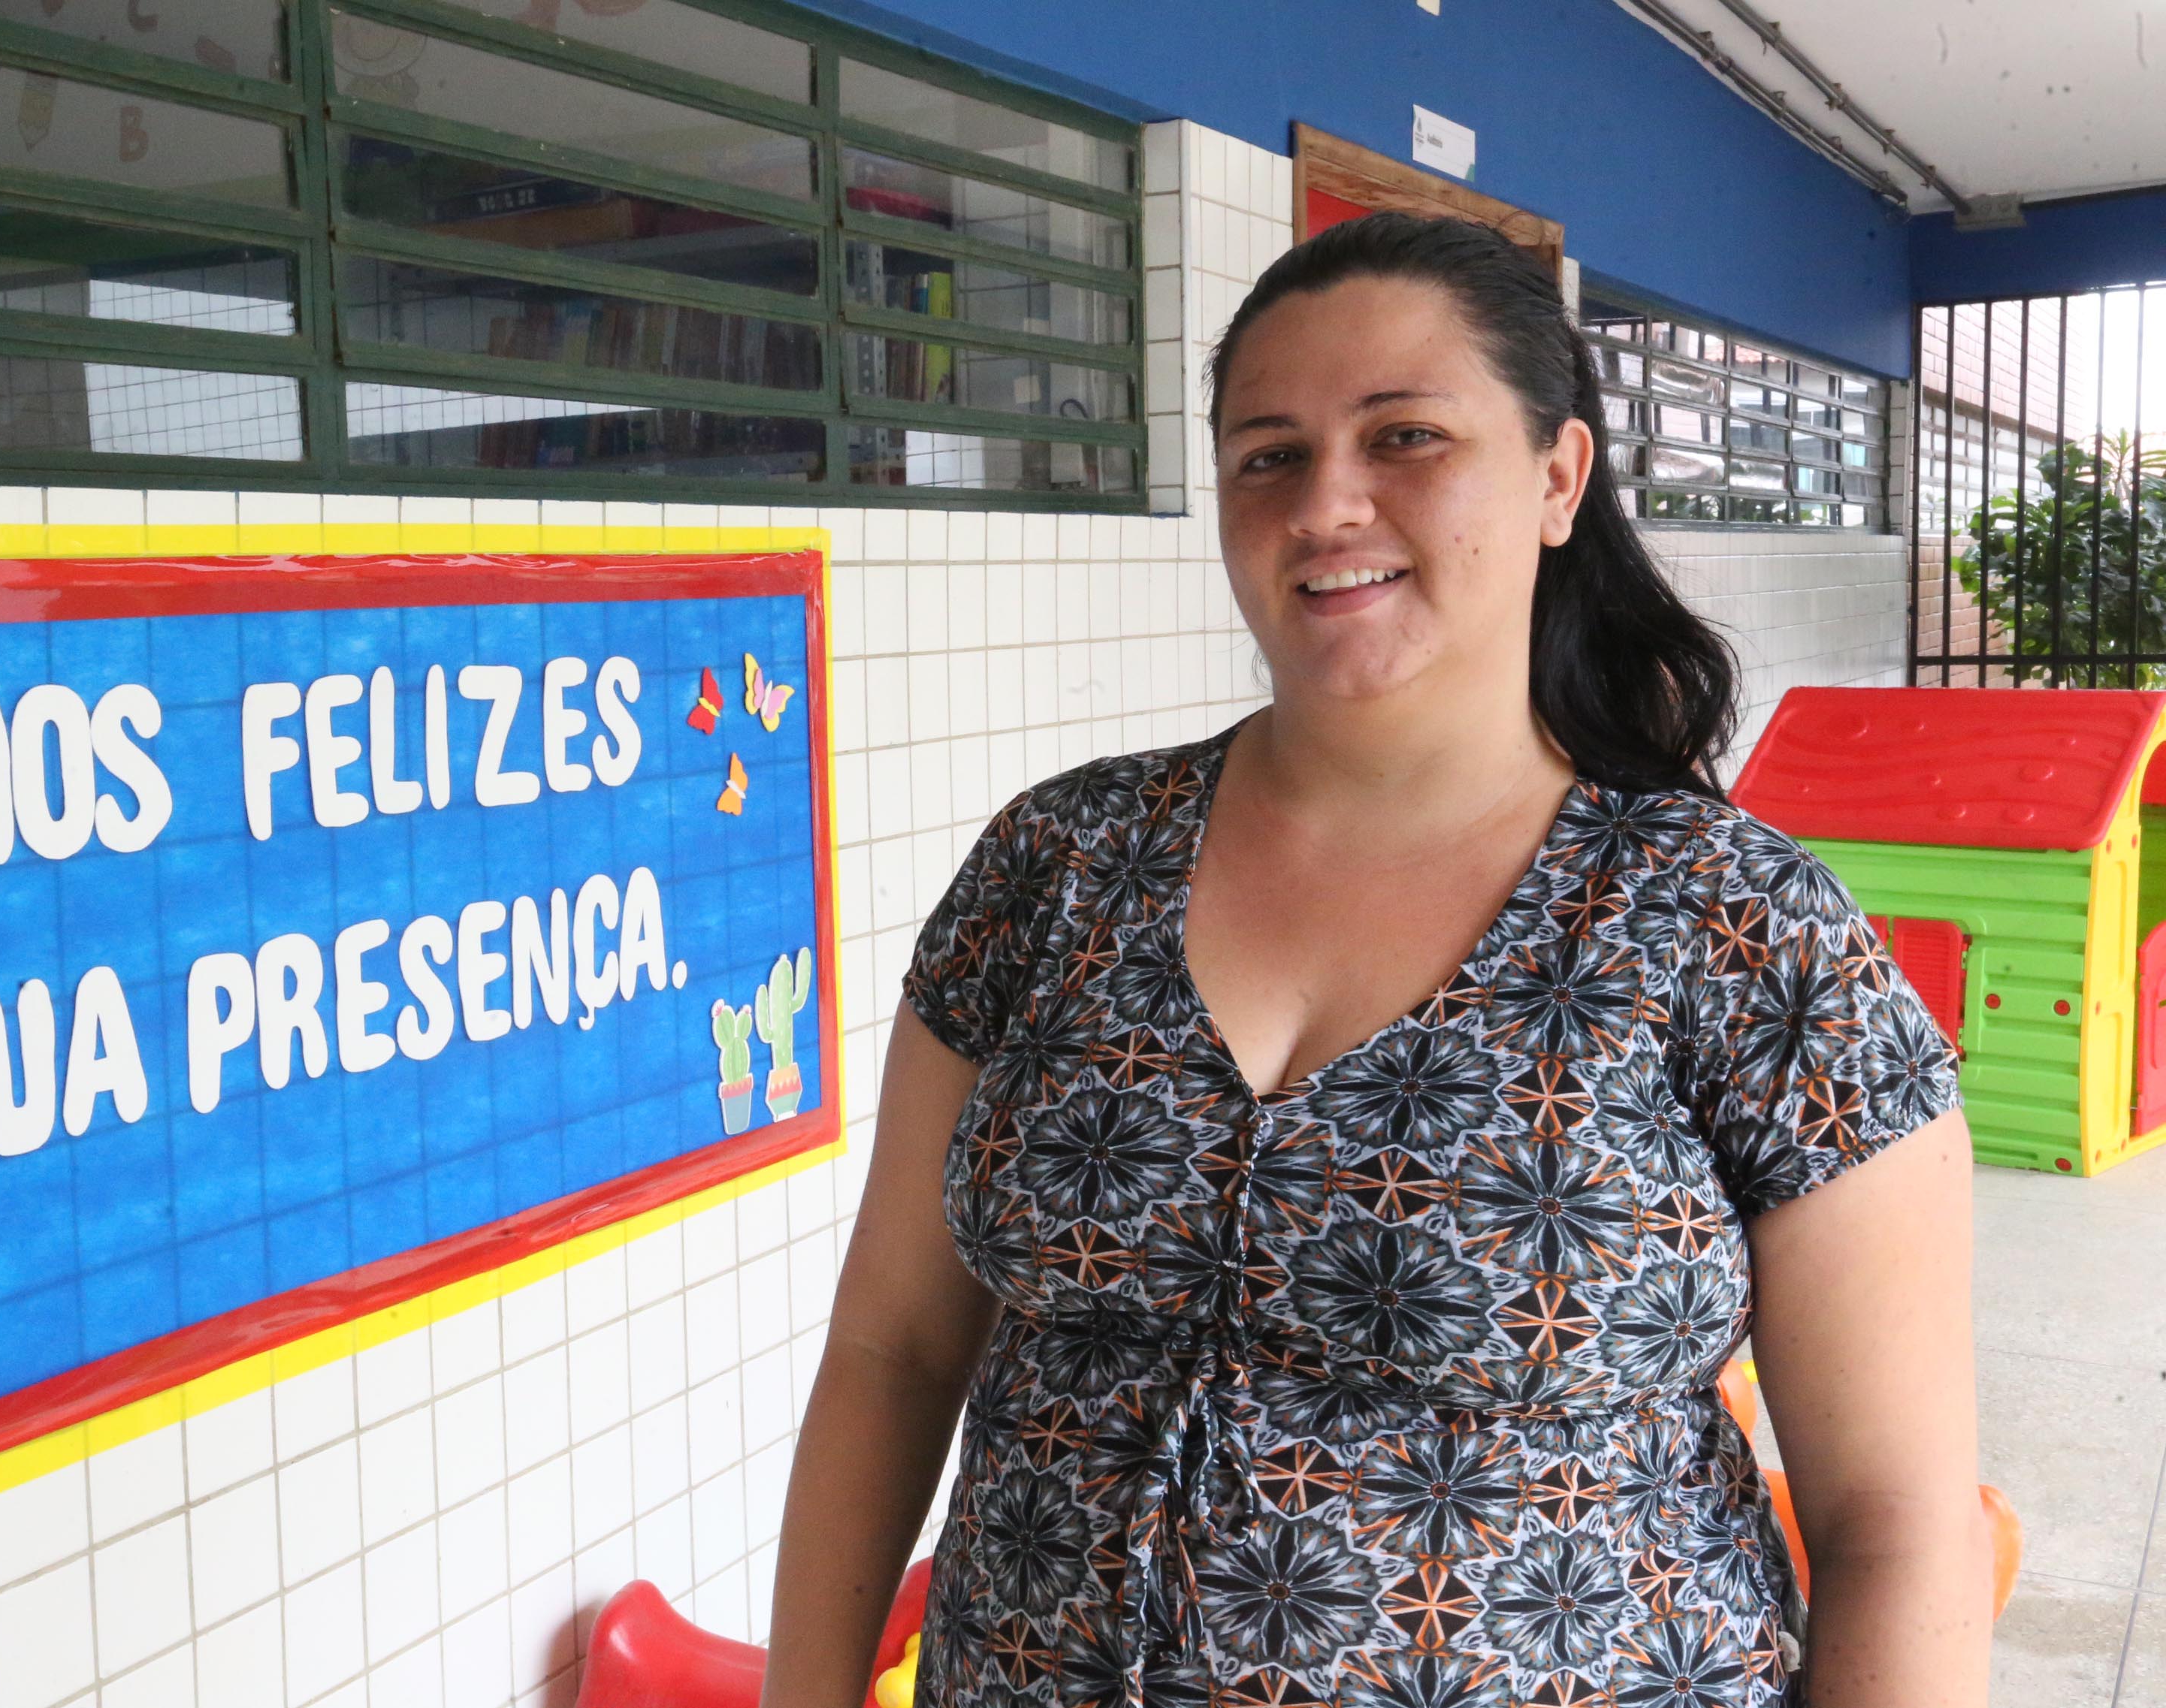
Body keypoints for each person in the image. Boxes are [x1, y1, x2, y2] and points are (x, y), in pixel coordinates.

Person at [760, 212, 1989, 1708]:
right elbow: (890, 1350)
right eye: (1269, 455)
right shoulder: (1058, 865)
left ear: (1558, 476)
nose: (1326, 502)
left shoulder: (1741, 927)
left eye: (1404, 437)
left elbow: (1900, 1523)